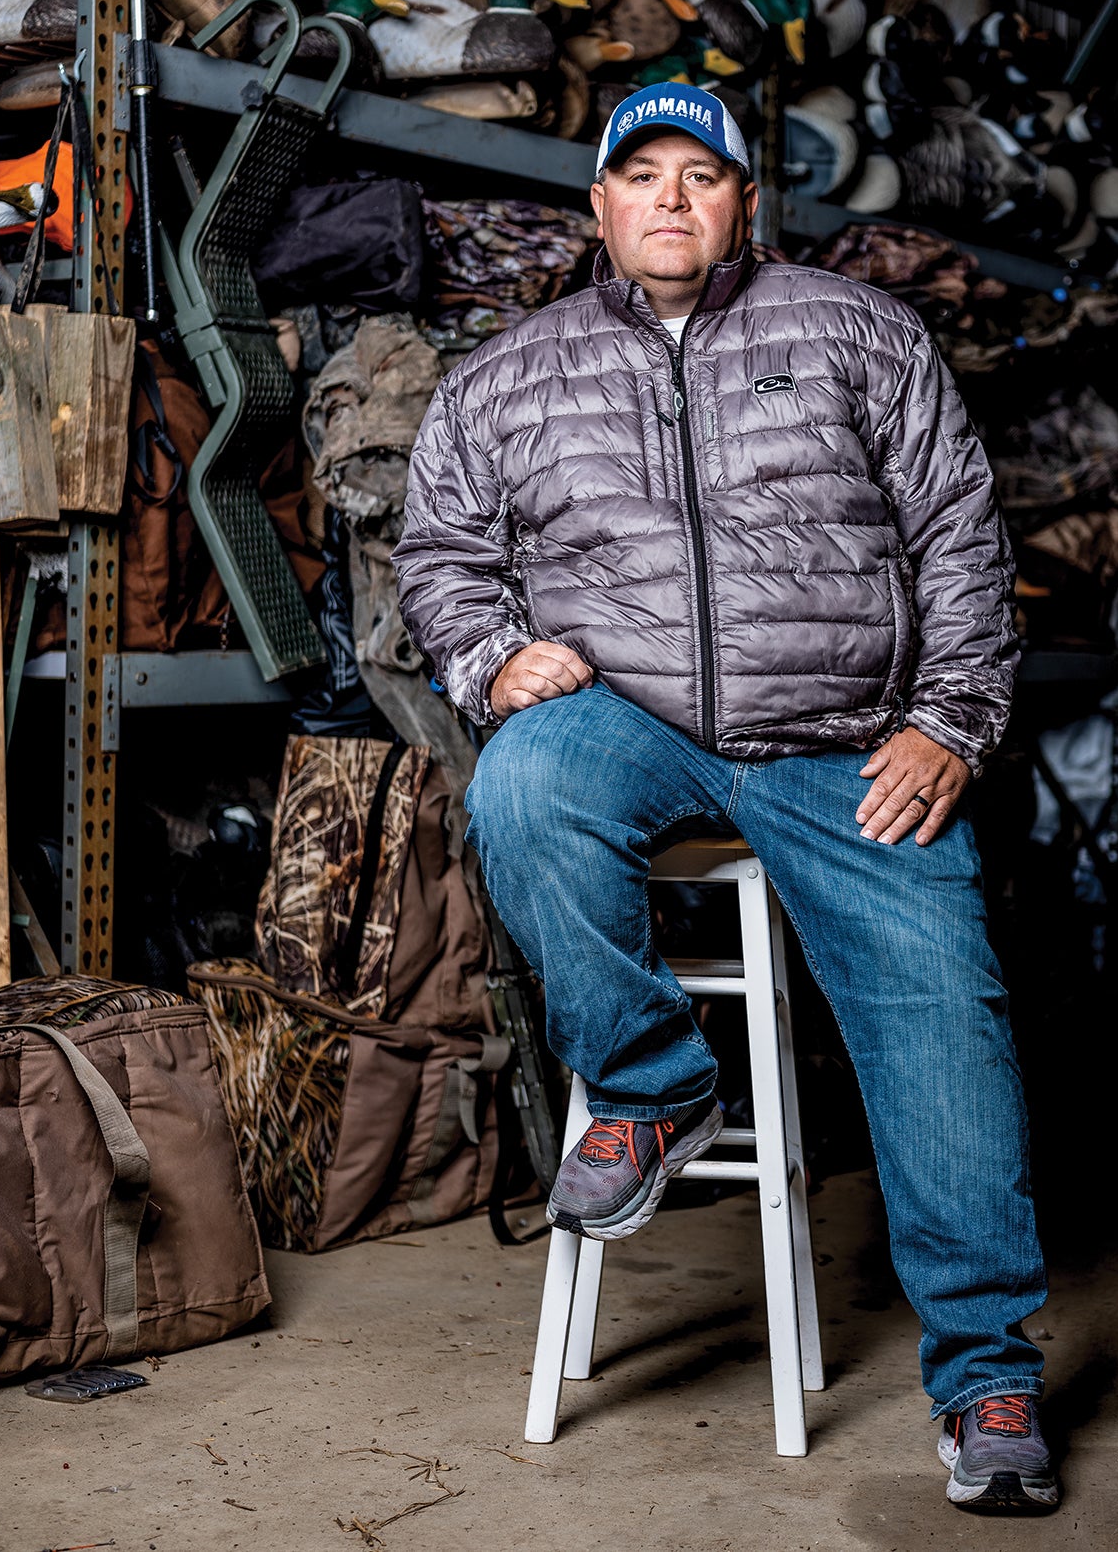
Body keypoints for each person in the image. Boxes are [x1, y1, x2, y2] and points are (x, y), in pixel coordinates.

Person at [393, 82, 1058, 1514]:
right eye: (645, 177)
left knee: (945, 1010)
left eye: (705, 176)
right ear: (599, 207)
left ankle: (988, 1373)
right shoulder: (509, 377)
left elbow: (956, 537)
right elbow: (440, 552)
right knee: (522, 788)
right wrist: (495, 655)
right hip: (631, 724)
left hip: (841, 740)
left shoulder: (858, 334)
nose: (675, 202)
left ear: (750, 199)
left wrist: (949, 724)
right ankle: (653, 1079)